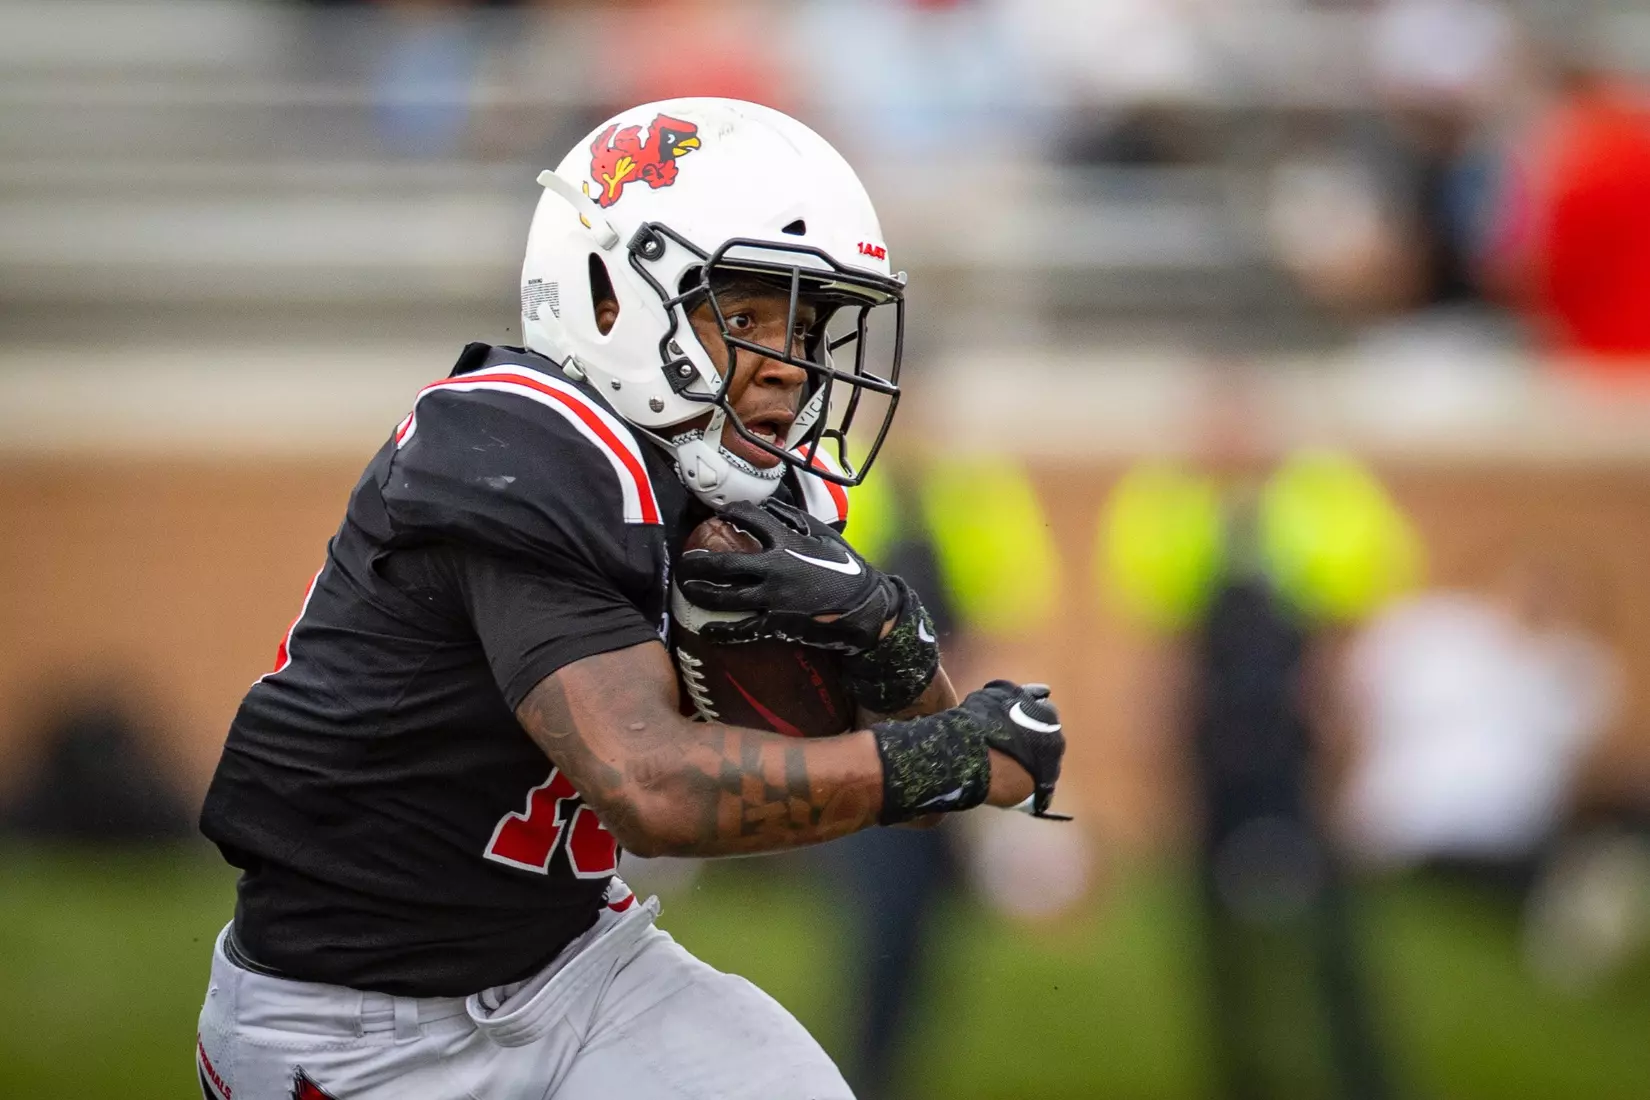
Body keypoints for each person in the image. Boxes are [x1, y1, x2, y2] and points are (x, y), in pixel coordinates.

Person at [194, 97, 1069, 1100]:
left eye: (810, 323)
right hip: (353, 1016)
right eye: (742, 316)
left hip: (571, 961)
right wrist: (946, 752)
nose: (787, 369)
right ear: (608, 295)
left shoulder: (743, 483)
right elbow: (650, 787)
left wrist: (890, 636)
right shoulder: (515, 451)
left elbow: (916, 776)